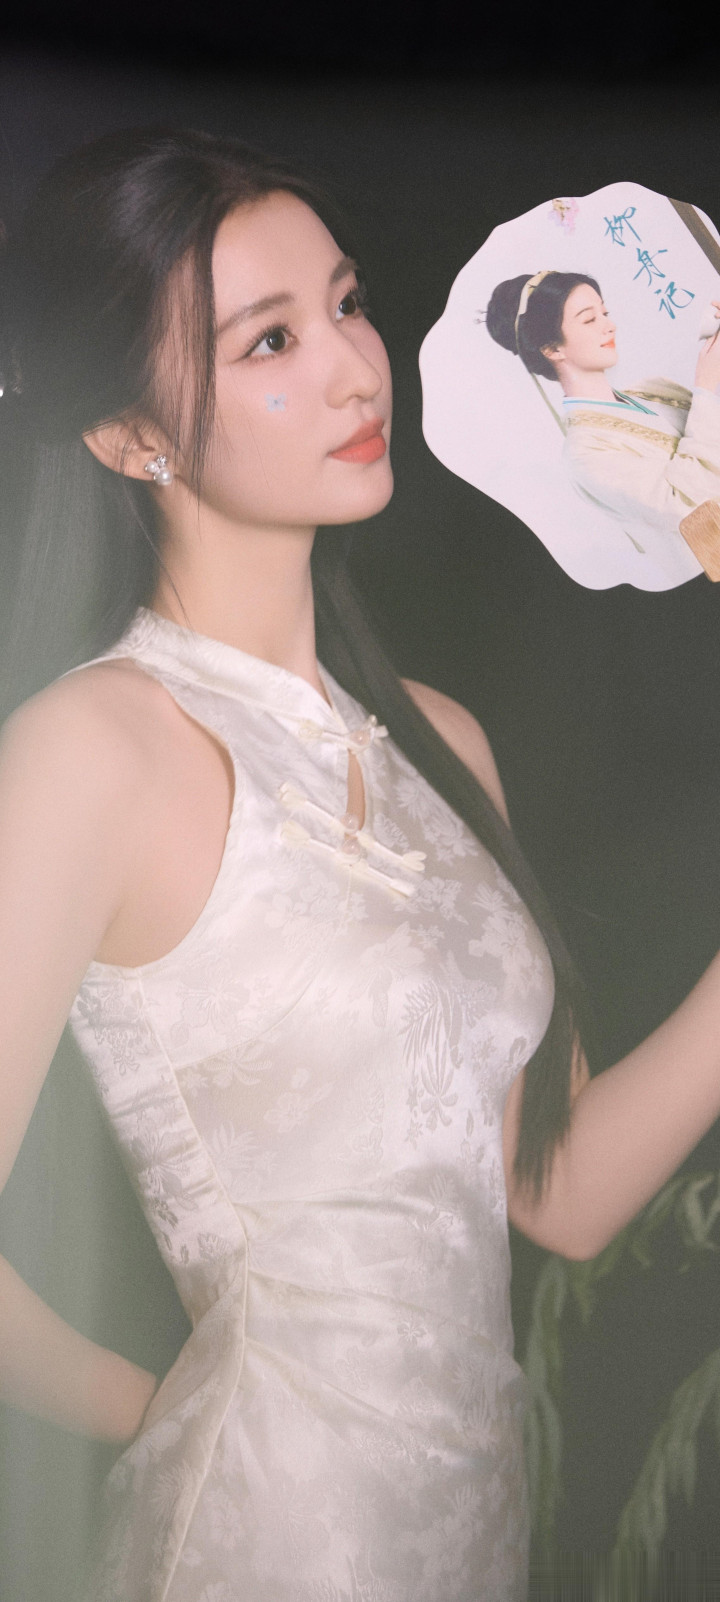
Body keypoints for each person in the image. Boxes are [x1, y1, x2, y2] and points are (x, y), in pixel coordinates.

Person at [2, 129, 720, 1602]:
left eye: (348, 303)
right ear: (128, 435)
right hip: (256, 1539)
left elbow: (560, 1192)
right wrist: (165, 1414)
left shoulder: (442, 741)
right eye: (271, 339)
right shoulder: (95, 748)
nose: (351, 369)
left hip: (476, 1532)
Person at [485, 270, 720, 583]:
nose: (609, 326)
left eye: (605, 313)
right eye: (588, 319)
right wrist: (706, 387)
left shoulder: (654, 389)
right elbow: (687, 507)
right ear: (552, 349)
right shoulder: (584, 455)